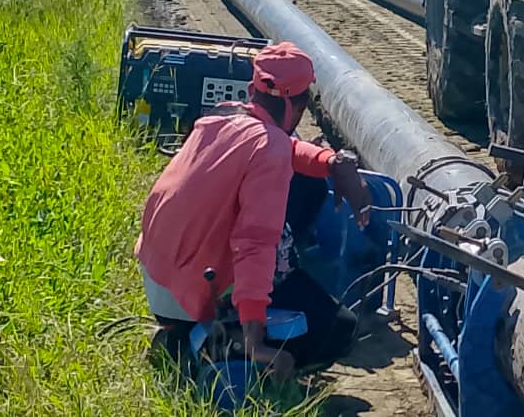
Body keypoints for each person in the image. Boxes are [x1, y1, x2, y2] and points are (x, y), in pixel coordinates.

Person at [135, 41, 373, 380]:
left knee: (309, 182)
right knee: (337, 330)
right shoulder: (270, 151)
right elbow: (254, 242)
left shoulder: (220, 117)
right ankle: (214, 346)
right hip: (193, 291)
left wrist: (330, 162)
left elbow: (284, 146)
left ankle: (180, 334)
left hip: (159, 278)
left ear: (252, 89)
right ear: (300, 105)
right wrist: (255, 336)